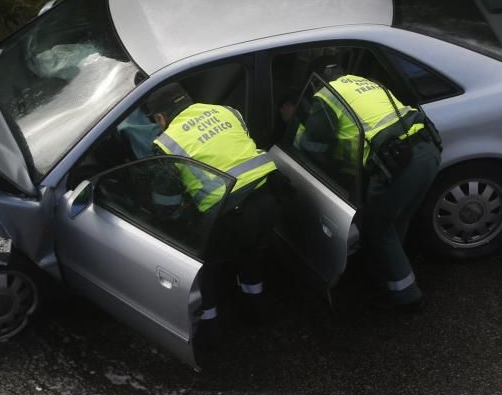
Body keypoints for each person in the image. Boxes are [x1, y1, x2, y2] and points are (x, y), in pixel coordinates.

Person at [295, 58, 441, 312]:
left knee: (377, 228)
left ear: (315, 81)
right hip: (428, 148)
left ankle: (407, 296)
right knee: (398, 218)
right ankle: (390, 268)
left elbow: (311, 146)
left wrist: (294, 127)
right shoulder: (363, 82)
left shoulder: (326, 97)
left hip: (398, 165)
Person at [145, 82, 284, 345]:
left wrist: (174, 221)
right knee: (251, 251)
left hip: (229, 213)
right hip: (268, 197)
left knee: (203, 265)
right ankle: (255, 309)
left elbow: (167, 203)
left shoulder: (166, 142)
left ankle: (211, 326)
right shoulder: (227, 111)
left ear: (161, 117)